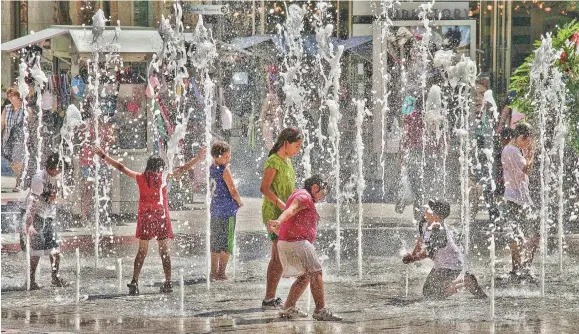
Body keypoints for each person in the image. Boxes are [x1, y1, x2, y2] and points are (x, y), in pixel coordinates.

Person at [93, 145, 205, 295]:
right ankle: (168, 282)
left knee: (141, 252)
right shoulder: (164, 177)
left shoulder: (140, 177)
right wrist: (198, 157)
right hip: (161, 217)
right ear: (161, 167)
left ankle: (134, 281)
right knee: (164, 251)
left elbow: (121, 167)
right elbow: (183, 168)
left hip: (146, 218)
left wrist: (103, 156)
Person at [267, 175, 342, 321]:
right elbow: (291, 210)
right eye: (323, 192)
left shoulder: (300, 194)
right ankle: (320, 309)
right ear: (315, 187)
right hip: (298, 242)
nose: (323, 197)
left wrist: (280, 229)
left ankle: (288, 306)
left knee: (305, 276)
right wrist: (278, 221)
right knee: (316, 271)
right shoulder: (304, 196)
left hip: (287, 241)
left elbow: (292, 215)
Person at [402, 199, 487, 299]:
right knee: (429, 291)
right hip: (441, 263)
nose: (427, 209)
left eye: (431, 209)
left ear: (437, 217)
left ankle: (465, 281)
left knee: (431, 294)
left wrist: (413, 258)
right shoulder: (424, 221)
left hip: (452, 264)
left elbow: (429, 252)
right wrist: (413, 254)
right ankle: (462, 281)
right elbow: (421, 240)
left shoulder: (439, 232)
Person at [260, 127, 303, 309]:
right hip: (274, 215)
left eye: (301, 147)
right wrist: (283, 206)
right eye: (297, 146)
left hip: (285, 213)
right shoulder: (274, 161)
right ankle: (269, 298)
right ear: (285, 143)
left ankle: (270, 297)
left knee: (278, 257)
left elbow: (290, 188)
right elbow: (264, 188)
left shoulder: (287, 161)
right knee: (277, 258)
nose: (298, 150)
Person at [20, 152, 67, 289]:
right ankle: (31, 280)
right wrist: (29, 224)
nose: (56, 172)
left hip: (48, 215)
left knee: (55, 248)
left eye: (59, 169)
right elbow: (32, 203)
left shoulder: (58, 175)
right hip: (34, 215)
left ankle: (55, 277)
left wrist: (54, 199)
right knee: (37, 249)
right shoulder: (38, 179)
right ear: (48, 167)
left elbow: (56, 197)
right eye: (54, 169)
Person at [501, 123, 538, 282]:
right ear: (521, 137)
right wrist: (531, 154)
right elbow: (527, 170)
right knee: (534, 234)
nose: (527, 144)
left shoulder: (508, 149)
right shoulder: (514, 151)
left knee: (518, 234)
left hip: (513, 197)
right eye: (527, 141)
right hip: (518, 199)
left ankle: (517, 268)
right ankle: (524, 268)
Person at [209, 141, 243, 281]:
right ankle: (221, 273)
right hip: (227, 212)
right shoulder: (224, 170)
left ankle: (213, 272)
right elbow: (233, 190)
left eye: (229, 157)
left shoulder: (212, 167)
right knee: (227, 243)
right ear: (217, 157)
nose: (228, 160)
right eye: (226, 157)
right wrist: (240, 202)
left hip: (215, 210)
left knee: (215, 243)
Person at [1, 86, 26, 192]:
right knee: (7, 161)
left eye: (12, 96)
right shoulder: (6, 108)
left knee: (17, 162)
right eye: (9, 96)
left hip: (18, 140)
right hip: (6, 139)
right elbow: (2, 123)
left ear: (18, 96)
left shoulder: (24, 109)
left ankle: (17, 183)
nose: (10, 98)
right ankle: (8, 182)